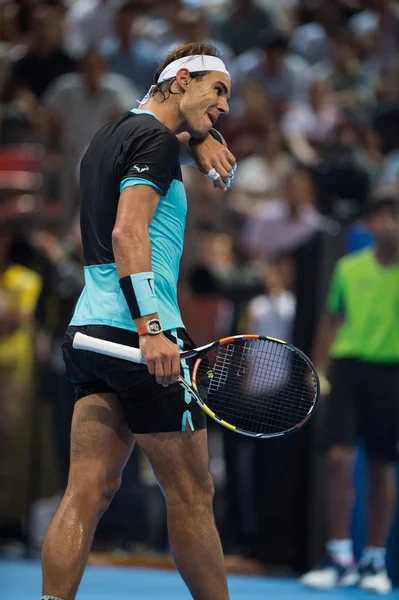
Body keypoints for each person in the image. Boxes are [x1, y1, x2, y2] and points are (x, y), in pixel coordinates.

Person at [40, 42, 236, 600]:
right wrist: (151, 327)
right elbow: (129, 233)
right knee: (193, 495)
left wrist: (194, 137)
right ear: (179, 82)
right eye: (216, 89)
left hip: (89, 332)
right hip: (141, 336)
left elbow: (154, 142)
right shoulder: (155, 141)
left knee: (87, 490)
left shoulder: (110, 136)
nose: (224, 105)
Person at [300, 195, 399, 594]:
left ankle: (374, 561)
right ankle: (339, 557)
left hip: (392, 373)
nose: (386, 224)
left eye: (393, 217)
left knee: (381, 467)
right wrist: (317, 369)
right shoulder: (347, 267)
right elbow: (330, 319)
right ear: (369, 223)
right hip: (348, 371)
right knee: (338, 460)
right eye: (378, 217)